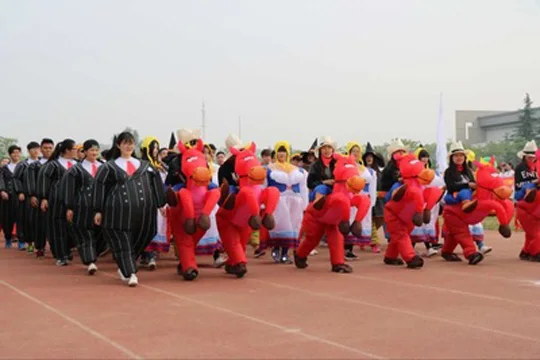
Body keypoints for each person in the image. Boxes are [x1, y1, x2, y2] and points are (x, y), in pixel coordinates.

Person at [93, 131, 166, 287]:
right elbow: (99, 188)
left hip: (144, 212)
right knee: (122, 240)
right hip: (117, 213)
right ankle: (131, 272)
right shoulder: (108, 167)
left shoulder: (146, 166)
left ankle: (126, 264)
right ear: (119, 145)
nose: (128, 146)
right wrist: (98, 210)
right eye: (125, 143)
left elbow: (156, 185)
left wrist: (161, 205)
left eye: (131, 143)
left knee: (146, 234)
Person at [62, 140, 106, 275]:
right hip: (82, 206)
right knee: (85, 233)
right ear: (85, 152)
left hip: (101, 206)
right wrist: (69, 207)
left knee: (101, 234)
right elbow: (69, 189)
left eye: (96, 150)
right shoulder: (75, 169)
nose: (94, 153)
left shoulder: (105, 167)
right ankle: (90, 261)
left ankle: (94, 254)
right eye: (91, 150)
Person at [37, 139, 78, 265]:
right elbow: (43, 180)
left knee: (73, 227)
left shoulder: (78, 164)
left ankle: (69, 249)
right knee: (58, 227)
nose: (77, 151)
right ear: (67, 150)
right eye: (74, 149)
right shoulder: (52, 165)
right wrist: (44, 198)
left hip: (75, 200)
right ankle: (61, 255)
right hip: (57, 200)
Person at [26, 138, 55, 258]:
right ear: (41, 149)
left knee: (54, 223)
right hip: (39, 197)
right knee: (40, 223)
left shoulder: (56, 164)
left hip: (54, 197)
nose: (48, 150)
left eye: (50, 148)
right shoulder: (34, 166)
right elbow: (30, 181)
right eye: (45, 148)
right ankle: (40, 247)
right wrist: (32, 195)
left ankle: (56, 247)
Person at [12, 141, 41, 252]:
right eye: (33, 149)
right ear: (29, 151)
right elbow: (16, 178)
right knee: (27, 219)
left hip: (41, 196)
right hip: (27, 197)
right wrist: (20, 192)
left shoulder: (43, 163)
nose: (35, 151)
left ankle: (40, 244)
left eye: (37, 149)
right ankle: (29, 242)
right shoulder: (23, 164)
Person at [0, 145, 22, 249]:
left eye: (18, 152)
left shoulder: (24, 166)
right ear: (10, 154)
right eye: (13, 152)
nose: (16, 154)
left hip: (20, 197)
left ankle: (21, 240)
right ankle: (8, 238)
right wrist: (2, 190)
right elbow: (1, 180)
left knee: (21, 218)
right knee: (7, 218)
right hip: (7, 197)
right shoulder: (4, 168)